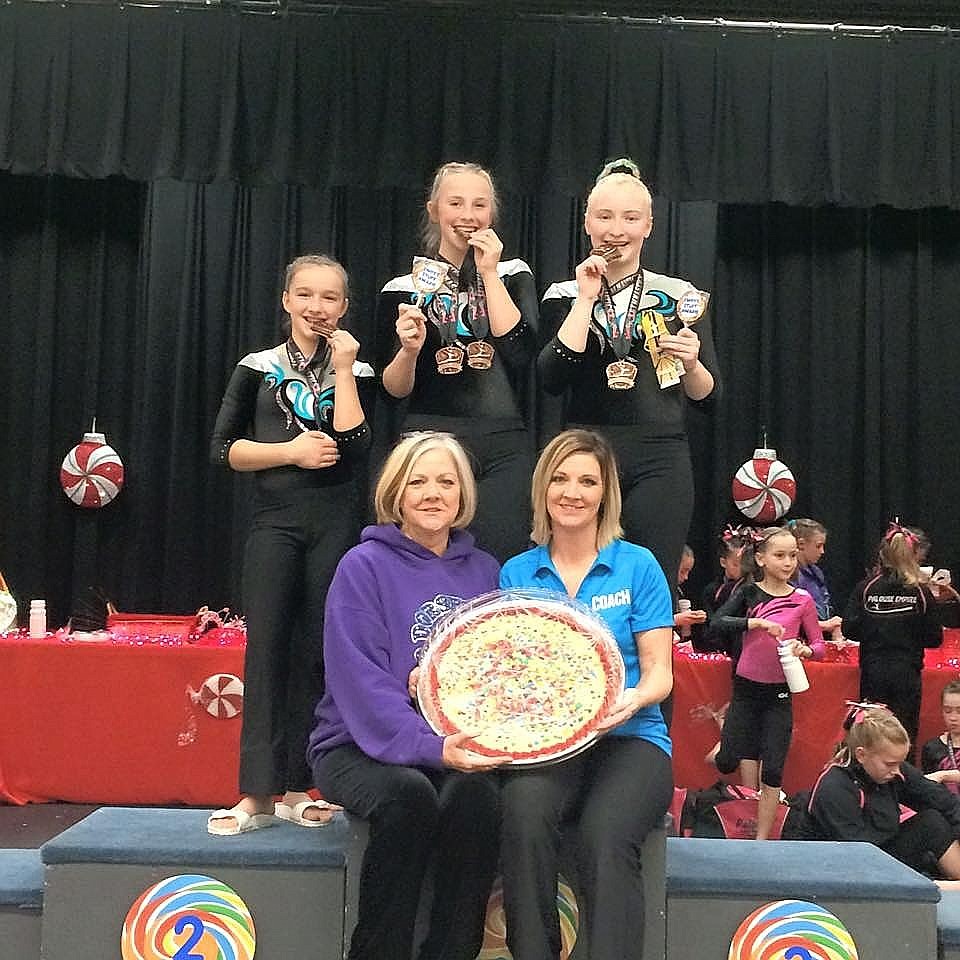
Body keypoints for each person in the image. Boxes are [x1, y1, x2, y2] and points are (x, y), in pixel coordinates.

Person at [307, 431, 504, 960]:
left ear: (463, 494)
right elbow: (361, 682)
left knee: (477, 801)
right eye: (417, 481)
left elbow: (497, 673)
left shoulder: (486, 572)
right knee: (409, 798)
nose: (432, 493)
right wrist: (431, 746)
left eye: (446, 481)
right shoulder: (362, 566)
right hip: (355, 745)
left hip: (452, 745)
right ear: (395, 493)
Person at [207, 254, 375, 835]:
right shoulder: (257, 367)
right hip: (274, 522)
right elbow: (224, 449)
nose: (317, 308)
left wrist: (348, 368)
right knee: (268, 649)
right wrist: (290, 452)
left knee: (316, 653)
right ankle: (257, 791)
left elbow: (356, 447)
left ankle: (302, 786)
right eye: (305, 295)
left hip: (335, 521)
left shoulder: (357, 366)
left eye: (329, 298)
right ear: (286, 300)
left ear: (344, 306)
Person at [498, 428, 674, 960]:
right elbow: (512, 673)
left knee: (604, 834)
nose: (572, 492)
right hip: (549, 744)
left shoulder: (638, 565)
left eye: (587, 481)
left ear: (605, 493)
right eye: (560, 478)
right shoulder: (517, 572)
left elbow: (659, 674)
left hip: (632, 738)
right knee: (523, 814)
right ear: (543, 489)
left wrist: (633, 699)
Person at [538, 158, 721, 588]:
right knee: (582, 579)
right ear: (587, 223)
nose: (616, 229)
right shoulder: (563, 294)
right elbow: (550, 379)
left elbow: (708, 397)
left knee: (652, 582)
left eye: (630, 217)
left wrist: (693, 363)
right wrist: (585, 300)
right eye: (604, 216)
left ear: (648, 226)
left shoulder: (679, 296)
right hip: (586, 453)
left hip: (660, 457)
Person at [377, 161, 538, 561]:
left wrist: (488, 272)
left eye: (479, 205)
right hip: (431, 441)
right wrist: (409, 350)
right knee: (428, 562)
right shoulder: (404, 288)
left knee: (501, 560)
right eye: (456, 203)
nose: (468, 215)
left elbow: (520, 354)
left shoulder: (513, 274)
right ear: (434, 210)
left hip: (504, 445)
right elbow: (392, 389)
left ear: (492, 214)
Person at [705, 526, 825, 839]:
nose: (788, 562)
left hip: (780, 693)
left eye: (793, 556)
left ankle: (761, 839)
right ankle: (722, 745)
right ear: (760, 559)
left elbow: (820, 645)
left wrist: (806, 649)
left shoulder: (802, 600)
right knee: (728, 760)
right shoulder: (748, 592)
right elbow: (716, 623)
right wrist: (754, 622)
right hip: (746, 689)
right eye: (780, 555)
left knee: (772, 768)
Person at [802, 706, 960, 881]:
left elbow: (941, 800)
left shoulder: (891, 770)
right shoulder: (835, 786)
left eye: (900, 763)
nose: (897, 771)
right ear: (861, 755)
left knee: (931, 820)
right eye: (890, 764)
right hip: (844, 867)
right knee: (930, 827)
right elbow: (856, 855)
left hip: (880, 849)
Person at [843, 521, 945, 754]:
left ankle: (871, 783)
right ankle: (901, 783)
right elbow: (935, 637)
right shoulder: (920, 591)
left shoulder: (866, 588)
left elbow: (849, 629)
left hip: (873, 672)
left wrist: (876, 629)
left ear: (882, 554)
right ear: (914, 556)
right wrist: (907, 632)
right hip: (906, 674)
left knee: (871, 733)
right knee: (904, 733)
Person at [788, 518, 843, 639]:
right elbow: (788, 618)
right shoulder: (788, 575)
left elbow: (824, 606)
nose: (822, 551)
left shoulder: (816, 572)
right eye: (818, 546)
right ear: (801, 544)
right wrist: (825, 625)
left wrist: (833, 626)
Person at [922, 681, 960, 795]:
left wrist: (944, 775)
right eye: (947, 711)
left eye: (959, 711)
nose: (953, 717)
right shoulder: (932, 747)